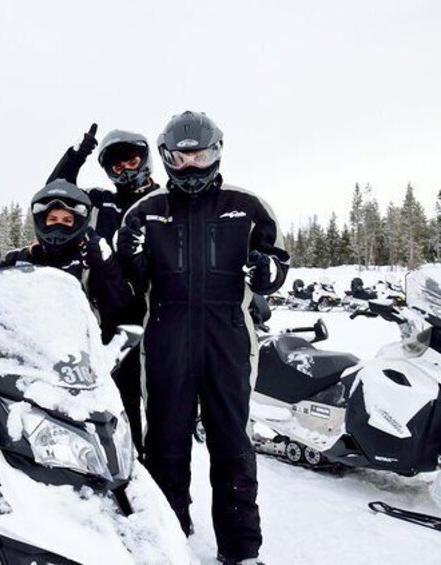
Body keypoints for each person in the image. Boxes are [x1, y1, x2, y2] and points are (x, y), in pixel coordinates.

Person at [116, 111, 289, 565]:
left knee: (232, 442)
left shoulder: (247, 205)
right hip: (166, 337)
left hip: (228, 338)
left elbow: (275, 261)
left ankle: (241, 550)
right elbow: (130, 283)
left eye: (201, 155)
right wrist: (127, 257)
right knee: (166, 444)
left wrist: (269, 271)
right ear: (167, 157)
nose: (192, 165)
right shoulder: (146, 211)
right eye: (182, 156)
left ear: (216, 152)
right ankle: (170, 537)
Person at [46, 123, 158, 453]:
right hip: (110, 317)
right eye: (115, 164)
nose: (123, 168)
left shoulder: (165, 202)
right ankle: (126, 468)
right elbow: (57, 192)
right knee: (118, 406)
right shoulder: (101, 203)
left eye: (130, 160)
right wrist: (76, 156)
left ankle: (162, 483)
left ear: (145, 159)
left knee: (163, 408)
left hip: (160, 315)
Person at [0, 178, 134, 324]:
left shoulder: (90, 262)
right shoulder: (21, 259)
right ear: (42, 221)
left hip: (79, 342)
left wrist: (106, 267)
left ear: (78, 224)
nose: (58, 226)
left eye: (67, 220)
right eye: (53, 219)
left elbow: (119, 308)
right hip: (25, 341)